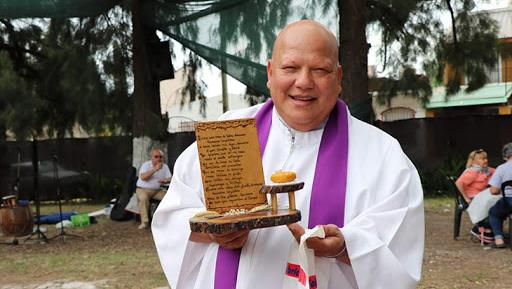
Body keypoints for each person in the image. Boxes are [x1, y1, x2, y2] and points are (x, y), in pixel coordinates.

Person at [152, 20, 424, 289]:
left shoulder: (382, 155)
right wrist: (212, 232)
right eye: (290, 68)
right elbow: (173, 215)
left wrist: (344, 246)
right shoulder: (226, 135)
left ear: (338, 78)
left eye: (320, 70)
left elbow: (398, 246)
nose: (304, 82)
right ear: (271, 72)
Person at [136, 148, 172, 229]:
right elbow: (143, 177)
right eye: (156, 156)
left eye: (160, 157)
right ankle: (145, 222)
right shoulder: (146, 165)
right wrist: (155, 169)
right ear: (152, 157)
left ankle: (165, 220)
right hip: (142, 189)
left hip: (157, 190)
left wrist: (166, 180)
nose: (158, 159)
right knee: (143, 198)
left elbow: (170, 178)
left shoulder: (164, 166)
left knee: (169, 197)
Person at [487, 143, 512, 248]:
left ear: (506, 155)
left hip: (509, 202)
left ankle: (499, 240)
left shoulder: (502, 168)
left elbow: (494, 190)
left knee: (494, 213)